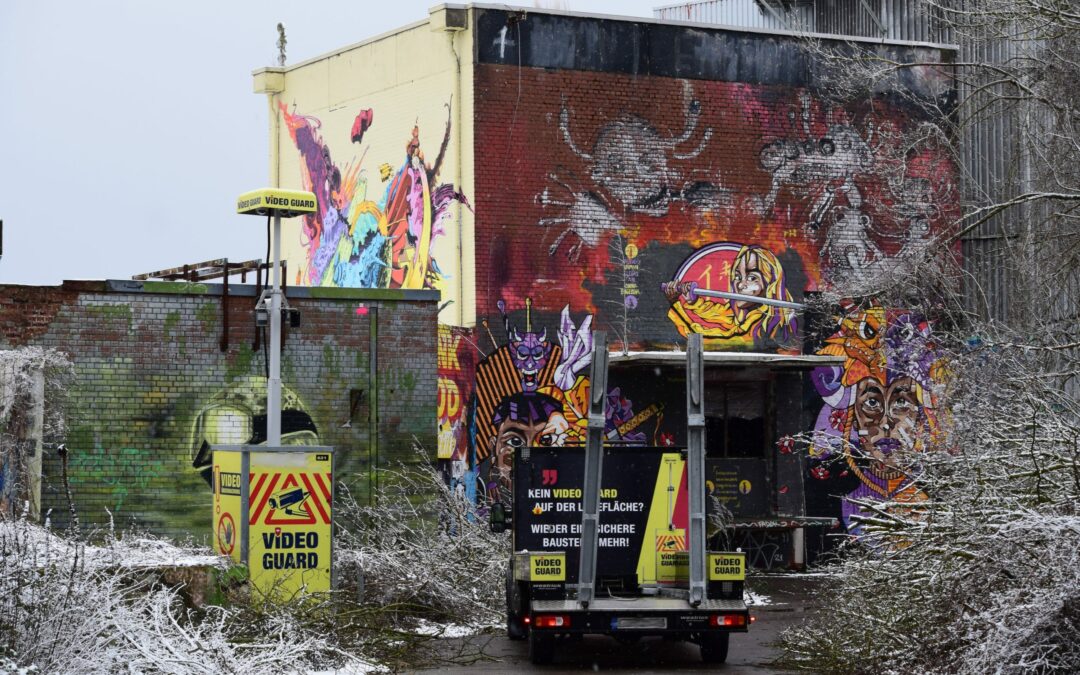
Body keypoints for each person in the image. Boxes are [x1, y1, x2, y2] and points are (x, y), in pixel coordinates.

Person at [663, 244, 798, 350]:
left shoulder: (759, 329)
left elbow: (702, 339)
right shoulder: (748, 312)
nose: (740, 285)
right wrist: (694, 302)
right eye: (738, 276)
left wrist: (675, 304)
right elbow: (722, 313)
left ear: (770, 284)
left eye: (752, 277)